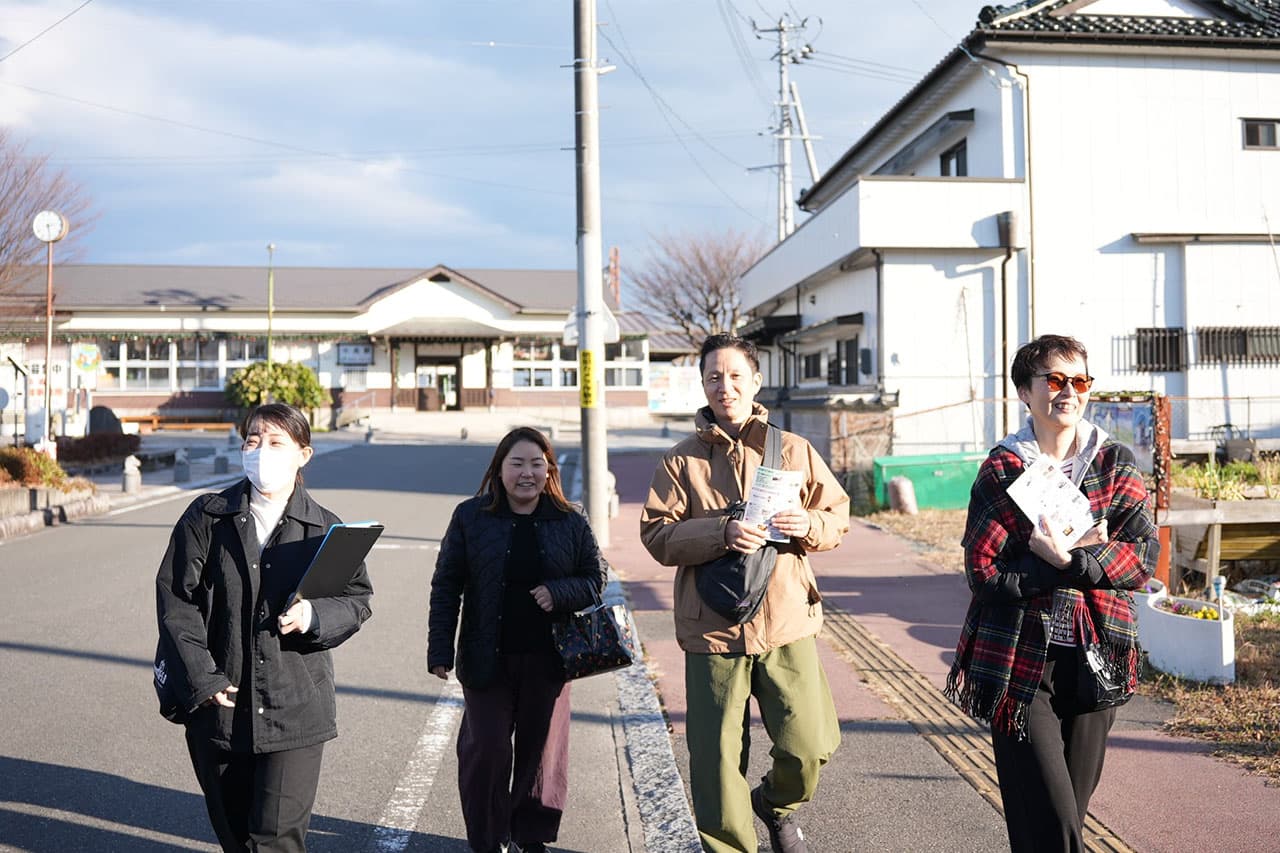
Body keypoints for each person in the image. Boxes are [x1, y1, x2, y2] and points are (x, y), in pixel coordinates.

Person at [944, 335, 1158, 852]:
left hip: (1096, 654)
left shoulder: (1114, 461)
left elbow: (1143, 557)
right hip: (1018, 662)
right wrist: (1059, 566)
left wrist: (1067, 559)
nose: (1068, 392)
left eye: (1079, 381)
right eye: (1054, 380)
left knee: (1058, 820)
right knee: (1053, 819)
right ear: (1025, 391)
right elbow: (983, 571)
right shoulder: (1002, 468)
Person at [640, 334, 850, 853]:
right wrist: (720, 533)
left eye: (736, 376)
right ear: (703, 384)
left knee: (810, 744)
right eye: (714, 377)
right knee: (715, 763)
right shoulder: (680, 460)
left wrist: (807, 522)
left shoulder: (794, 449)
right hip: (710, 627)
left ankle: (776, 804)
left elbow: (836, 518)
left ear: (756, 381)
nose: (725, 386)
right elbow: (657, 535)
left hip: (785, 621)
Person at [155, 402, 374, 852]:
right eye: (253, 441)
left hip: (296, 709)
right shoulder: (207, 518)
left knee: (275, 842)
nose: (261, 451)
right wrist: (202, 676)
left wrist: (314, 617)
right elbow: (177, 599)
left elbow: (355, 599)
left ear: (304, 454)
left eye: (276, 442)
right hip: (219, 705)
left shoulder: (325, 528)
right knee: (236, 839)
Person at [428, 427, 607, 853]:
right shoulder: (470, 517)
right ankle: (489, 840)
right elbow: (446, 585)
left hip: (550, 660)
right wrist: (439, 649)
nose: (527, 473)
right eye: (517, 463)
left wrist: (558, 593)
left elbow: (595, 578)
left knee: (541, 755)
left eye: (536, 464)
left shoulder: (570, 518)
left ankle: (531, 837)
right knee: (486, 750)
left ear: (549, 470)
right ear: (499, 469)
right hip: (485, 657)